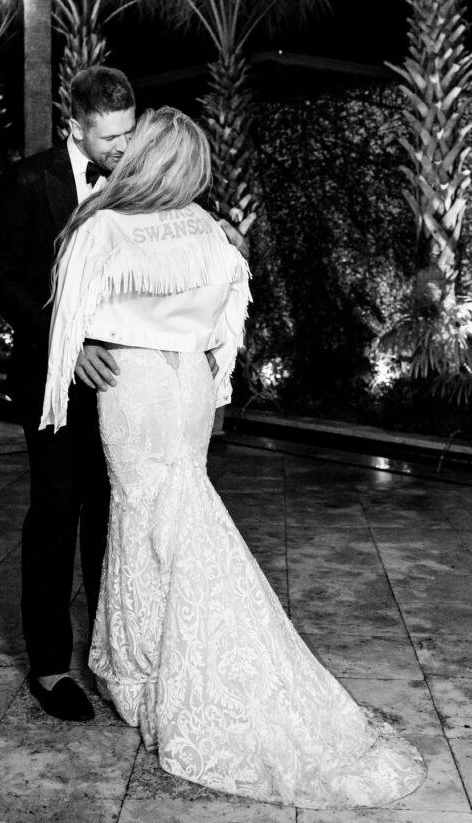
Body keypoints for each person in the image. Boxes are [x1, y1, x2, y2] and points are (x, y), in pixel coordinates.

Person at [40, 106, 426, 808]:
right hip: (186, 386)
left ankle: (151, 672)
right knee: (179, 507)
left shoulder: (104, 226)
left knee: (142, 516)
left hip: (132, 387)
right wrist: (211, 387)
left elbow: (69, 322)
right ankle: (157, 666)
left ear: (145, 158)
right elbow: (227, 331)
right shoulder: (213, 233)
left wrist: (90, 349)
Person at [0, 66, 136, 722]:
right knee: (57, 506)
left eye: (128, 133)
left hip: (119, 376)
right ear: (74, 125)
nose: (122, 150)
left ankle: (110, 657)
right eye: (108, 139)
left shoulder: (135, 178)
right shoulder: (27, 179)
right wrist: (68, 340)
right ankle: (49, 668)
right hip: (49, 375)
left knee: (110, 511)